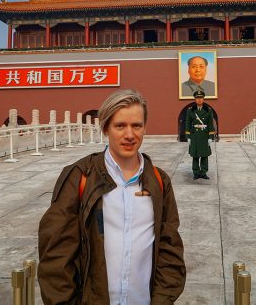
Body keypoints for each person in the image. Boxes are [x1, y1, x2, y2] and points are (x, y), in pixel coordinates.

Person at [37, 89, 186, 304]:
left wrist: (162, 299)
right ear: (106, 128)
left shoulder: (158, 181)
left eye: (136, 126)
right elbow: (56, 256)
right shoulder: (80, 177)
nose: (129, 135)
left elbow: (169, 246)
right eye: (120, 126)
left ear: (145, 127)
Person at [185, 90, 215, 180]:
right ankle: (196, 173)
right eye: (197, 98)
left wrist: (210, 137)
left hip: (204, 135)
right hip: (194, 136)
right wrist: (188, 136)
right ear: (195, 99)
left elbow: (210, 124)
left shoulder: (208, 110)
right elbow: (187, 123)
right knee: (195, 155)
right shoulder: (190, 110)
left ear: (203, 99)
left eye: (201, 98)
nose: (199, 100)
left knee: (204, 155)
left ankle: (203, 172)